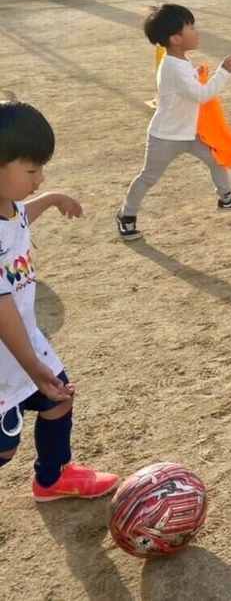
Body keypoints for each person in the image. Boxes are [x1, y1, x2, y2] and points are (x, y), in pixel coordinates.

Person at [0, 100, 120, 501]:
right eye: (32, 170)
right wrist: (33, 367)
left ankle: (52, 477)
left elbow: (18, 219)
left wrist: (50, 198)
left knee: (60, 398)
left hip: (25, 340)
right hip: (5, 355)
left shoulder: (8, 205)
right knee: (4, 448)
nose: (39, 177)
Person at [116, 4, 231, 241]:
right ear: (175, 38)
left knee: (216, 159)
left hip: (189, 133)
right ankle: (125, 215)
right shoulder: (173, 66)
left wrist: (199, 76)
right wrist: (222, 73)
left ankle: (227, 198)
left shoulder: (180, 62)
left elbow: (191, 92)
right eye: (190, 27)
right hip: (166, 137)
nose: (197, 31)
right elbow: (201, 95)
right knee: (148, 177)